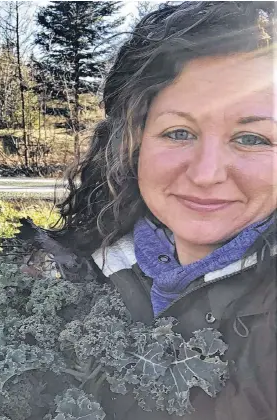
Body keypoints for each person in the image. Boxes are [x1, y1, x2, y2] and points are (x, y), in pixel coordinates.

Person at [41, 2, 276, 419]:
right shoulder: (81, 267)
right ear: (133, 143)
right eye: (179, 132)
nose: (206, 174)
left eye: (253, 138)